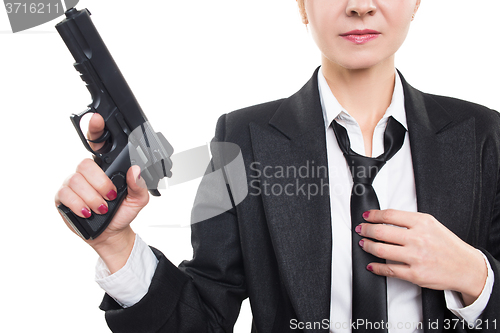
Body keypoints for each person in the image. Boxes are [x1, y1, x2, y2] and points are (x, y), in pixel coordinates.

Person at [55, 0, 500, 332]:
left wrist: (475, 275)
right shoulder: (240, 140)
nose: (361, 7)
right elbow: (202, 316)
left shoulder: (484, 135)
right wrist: (117, 246)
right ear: (302, 6)